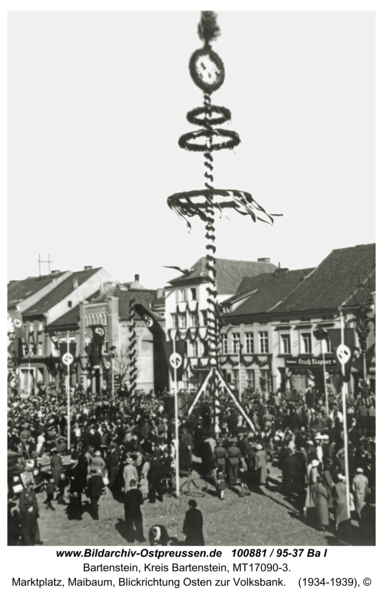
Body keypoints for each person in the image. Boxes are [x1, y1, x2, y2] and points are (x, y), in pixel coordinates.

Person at [18, 481, 40, 545]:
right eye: (30, 485)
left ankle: (34, 540)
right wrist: (26, 510)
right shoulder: (23, 494)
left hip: (32, 514)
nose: (32, 486)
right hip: (26, 515)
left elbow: (35, 503)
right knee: (26, 530)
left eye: (32, 485)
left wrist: (35, 510)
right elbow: (21, 505)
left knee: (33, 529)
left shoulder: (33, 492)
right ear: (27, 486)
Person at [124, 479, 145, 543]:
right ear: (135, 484)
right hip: (136, 510)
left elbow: (125, 503)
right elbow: (141, 502)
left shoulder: (127, 493)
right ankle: (141, 538)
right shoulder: (139, 492)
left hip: (129, 511)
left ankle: (131, 539)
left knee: (129, 524)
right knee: (138, 524)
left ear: (130, 485)